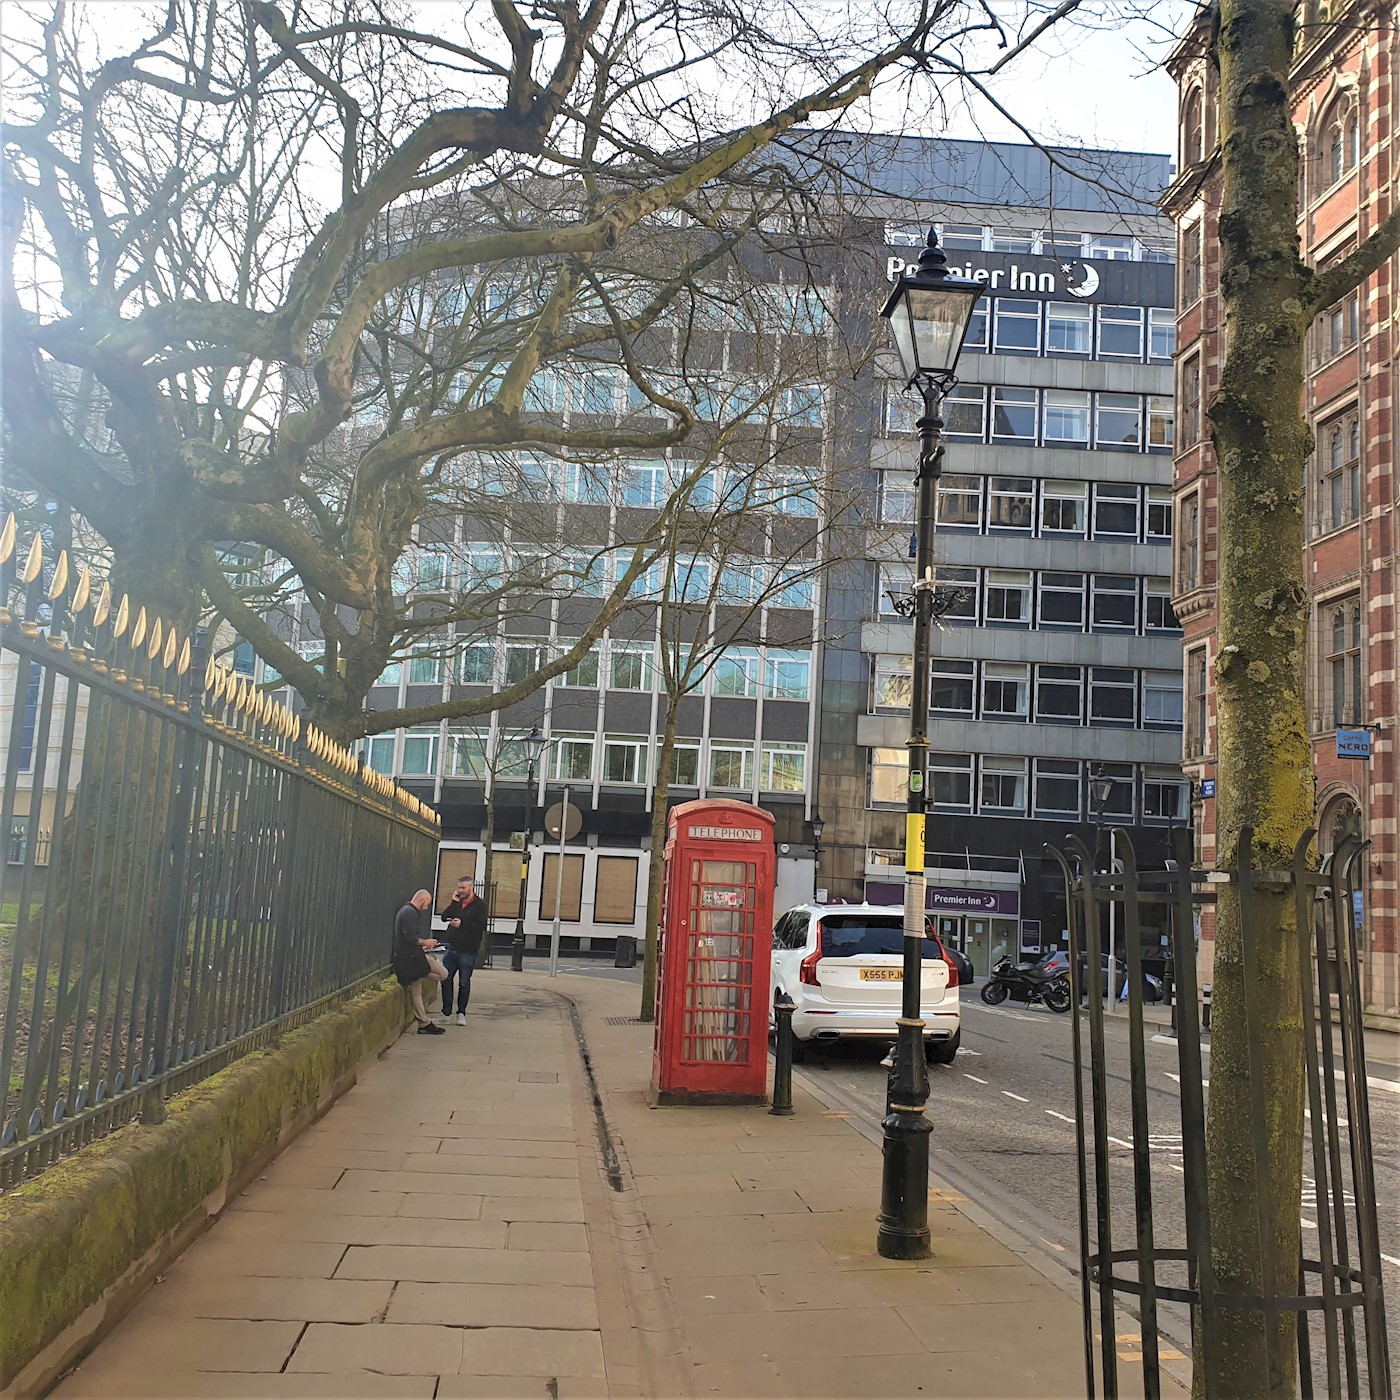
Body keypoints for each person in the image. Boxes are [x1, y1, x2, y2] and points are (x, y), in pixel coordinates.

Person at [392, 889, 447, 1034]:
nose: (426, 907)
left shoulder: (408, 911)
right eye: (427, 903)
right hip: (410, 958)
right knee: (422, 987)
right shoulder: (409, 912)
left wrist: (423, 946)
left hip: (413, 955)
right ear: (422, 900)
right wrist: (426, 942)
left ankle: (423, 1023)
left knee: (434, 979)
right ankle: (424, 1023)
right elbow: (410, 937)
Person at [437, 877, 488, 1025]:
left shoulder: (479, 905)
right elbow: (444, 917)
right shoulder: (457, 903)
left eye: (464, 888)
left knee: (464, 983)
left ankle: (461, 1013)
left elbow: (481, 926)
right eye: (459, 887)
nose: (461, 890)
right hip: (452, 948)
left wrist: (462, 923)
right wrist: (454, 902)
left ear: (471, 888)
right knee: (445, 979)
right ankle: (446, 1013)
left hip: (468, 950)